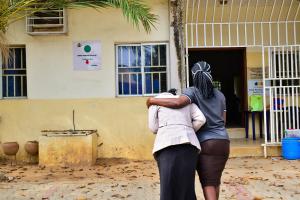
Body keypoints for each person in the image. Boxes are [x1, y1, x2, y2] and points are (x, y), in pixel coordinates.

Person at [147, 61, 230, 200]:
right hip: (223, 142)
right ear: (210, 74)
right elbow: (224, 120)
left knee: (207, 182)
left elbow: (177, 103)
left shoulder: (192, 91)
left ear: (194, 75)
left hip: (206, 142)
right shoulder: (220, 95)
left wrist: (152, 101)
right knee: (215, 179)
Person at [148, 88, 206, 200]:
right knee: (186, 186)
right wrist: (187, 129)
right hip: (189, 146)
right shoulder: (186, 101)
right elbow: (201, 119)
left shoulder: (155, 102)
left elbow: (153, 127)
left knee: (168, 186)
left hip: (165, 146)